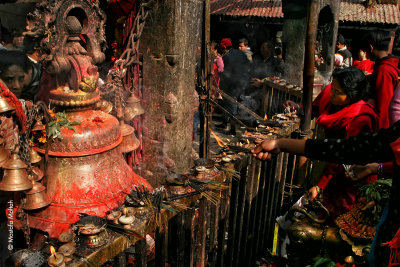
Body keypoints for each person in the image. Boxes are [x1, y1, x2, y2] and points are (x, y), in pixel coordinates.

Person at [251, 120, 400, 267]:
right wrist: (281, 144)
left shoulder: (361, 118)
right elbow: (359, 147)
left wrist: (281, 144)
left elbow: (353, 149)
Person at [285, 67, 378, 219]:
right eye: (333, 88)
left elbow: (343, 155)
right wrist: (298, 107)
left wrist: (320, 185)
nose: (332, 94)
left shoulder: (360, 117)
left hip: (349, 168)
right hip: (329, 155)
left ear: (352, 95)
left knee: (342, 210)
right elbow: (315, 107)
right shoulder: (329, 92)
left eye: (338, 92)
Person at [362, 30, 400, 129]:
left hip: (385, 127)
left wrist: (380, 133)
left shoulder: (383, 71)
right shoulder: (391, 64)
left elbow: (384, 106)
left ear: (371, 48)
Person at [216, 38, 250, 134]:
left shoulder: (227, 56)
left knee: (232, 107)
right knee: (234, 106)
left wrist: (221, 77)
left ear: (224, 47)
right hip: (241, 84)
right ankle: (230, 125)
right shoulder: (240, 53)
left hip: (232, 85)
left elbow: (226, 72)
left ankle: (233, 129)